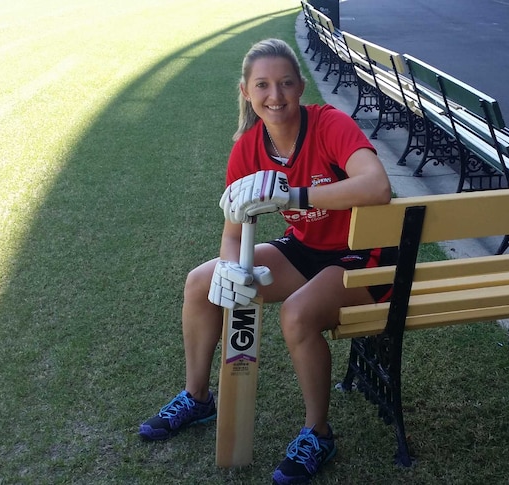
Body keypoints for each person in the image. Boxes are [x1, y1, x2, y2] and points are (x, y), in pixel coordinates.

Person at [138, 38, 394, 485]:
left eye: (285, 83)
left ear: (299, 87)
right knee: (204, 282)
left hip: (364, 254)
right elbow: (234, 230)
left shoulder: (329, 124)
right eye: (263, 85)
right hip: (306, 248)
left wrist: (295, 195)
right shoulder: (247, 149)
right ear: (246, 92)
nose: (275, 96)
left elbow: (377, 188)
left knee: (297, 315)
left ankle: (318, 433)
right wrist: (231, 269)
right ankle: (197, 397)